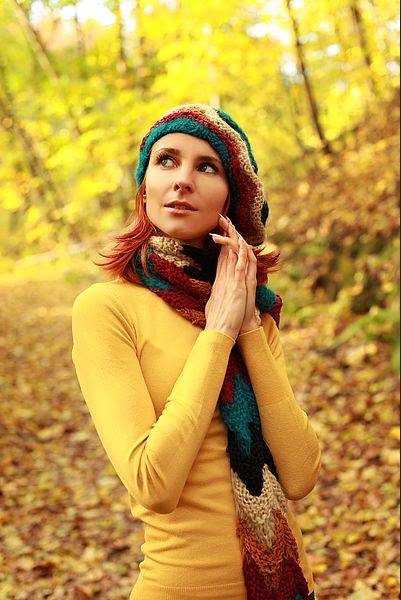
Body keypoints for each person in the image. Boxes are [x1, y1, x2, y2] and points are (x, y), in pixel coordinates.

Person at [71, 103, 321, 600]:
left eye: (206, 167)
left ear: (233, 198)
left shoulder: (255, 311)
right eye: (166, 161)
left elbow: (299, 474)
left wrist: (246, 323)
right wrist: (218, 333)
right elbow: (153, 483)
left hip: (292, 587)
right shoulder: (107, 309)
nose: (182, 179)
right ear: (145, 186)